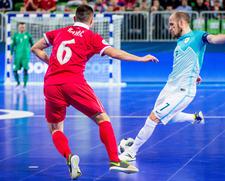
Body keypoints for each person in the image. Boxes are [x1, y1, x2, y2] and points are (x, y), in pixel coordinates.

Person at [31, 5, 158, 180]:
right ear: (92, 21)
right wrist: (140, 58)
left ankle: (69, 157)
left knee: (55, 129)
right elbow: (114, 53)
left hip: (51, 84)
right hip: (74, 83)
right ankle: (114, 160)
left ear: (74, 19)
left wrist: (51, 63)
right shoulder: (91, 37)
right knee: (102, 118)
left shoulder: (59, 32)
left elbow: (35, 48)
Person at [119, 11, 225, 162]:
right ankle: (195, 117)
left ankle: (131, 152)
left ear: (181, 23)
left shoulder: (198, 36)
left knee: (154, 117)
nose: (170, 28)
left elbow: (214, 39)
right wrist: (195, 73)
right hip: (169, 87)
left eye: (172, 24)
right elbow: (187, 63)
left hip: (183, 91)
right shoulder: (180, 42)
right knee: (162, 116)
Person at [10, 22, 34, 91]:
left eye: (23, 27)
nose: (22, 28)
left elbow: (33, 45)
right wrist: (11, 55)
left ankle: (25, 85)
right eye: (21, 27)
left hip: (25, 57)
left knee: (25, 70)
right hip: (17, 57)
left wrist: (35, 51)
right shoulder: (15, 36)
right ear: (18, 27)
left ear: (25, 28)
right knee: (14, 70)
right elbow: (12, 46)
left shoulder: (28, 35)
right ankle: (18, 83)